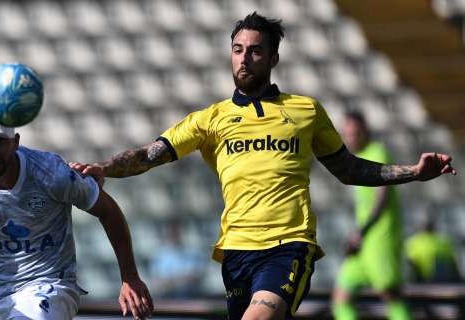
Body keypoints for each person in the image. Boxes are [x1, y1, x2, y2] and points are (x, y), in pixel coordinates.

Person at [70, 12, 456, 320]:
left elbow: (350, 170)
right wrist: (105, 168)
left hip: (289, 246)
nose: (244, 58)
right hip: (236, 252)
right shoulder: (211, 119)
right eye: (237, 49)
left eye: (254, 51)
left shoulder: (305, 110)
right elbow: (150, 154)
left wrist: (414, 172)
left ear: (273, 58)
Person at [0, 102, 153, 320]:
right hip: (1, 292)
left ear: (15, 142)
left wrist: (129, 277)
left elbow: (108, 210)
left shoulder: (52, 173)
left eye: (0, 141)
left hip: (53, 286)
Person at [332, 111, 411, 320]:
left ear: (365, 132)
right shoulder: (353, 160)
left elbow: (382, 197)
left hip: (380, 238)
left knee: (390, 296)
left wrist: (362, 231)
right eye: (347, 134)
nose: (351, 138)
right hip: (362, 243)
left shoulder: (377, 152)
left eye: (355, 133)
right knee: (341, 297)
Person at [405, 218, 461, 283]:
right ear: (434, 228)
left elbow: (409, 259)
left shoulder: (412, 242)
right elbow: (453, 260)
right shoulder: (443, 241)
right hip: (441, 277)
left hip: (421, 278)